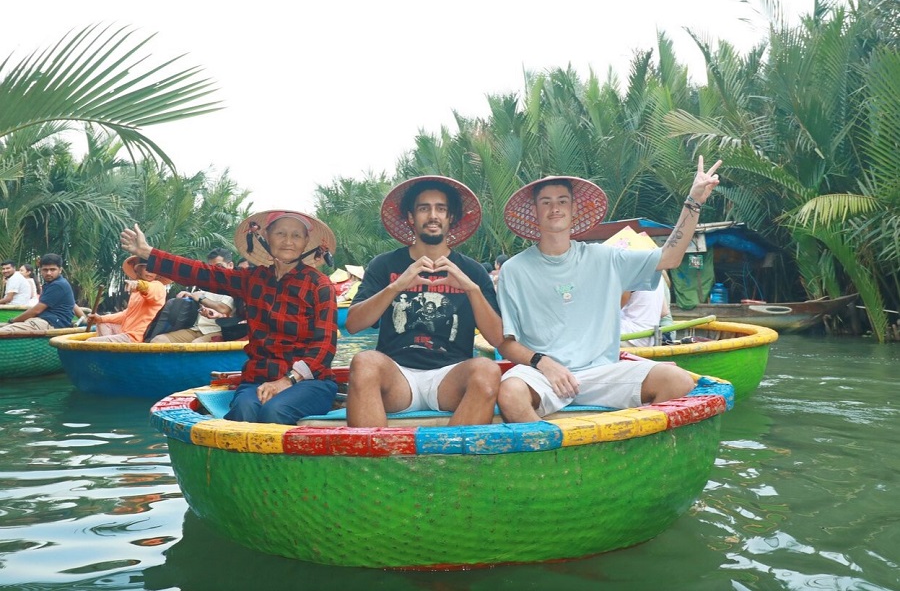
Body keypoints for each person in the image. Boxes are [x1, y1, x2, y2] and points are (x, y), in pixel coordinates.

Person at [496, 156, 722, 422]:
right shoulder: (513, 270)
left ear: (573, 210)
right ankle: (556, 456)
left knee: (677, 381)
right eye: (545, 202)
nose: (554, 208)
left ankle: (626, 452)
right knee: (510, 393)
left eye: (562, 201)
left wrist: (693, 202)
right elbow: (507, 343)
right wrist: (543, 363)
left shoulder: (606, 258)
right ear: (534, 212)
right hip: (543, 373)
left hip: (601, 373)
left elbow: (668, 258)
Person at [119, 209, 339, 425]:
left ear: (306, 242)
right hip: (258, 379)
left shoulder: (319, 285)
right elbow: (201, 272)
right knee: (245, 410)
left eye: (296, 235)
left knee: (275, 411)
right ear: (266, 238)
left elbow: (324, 348)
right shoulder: (253, 279)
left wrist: (286, 381)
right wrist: (149, 253)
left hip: (309, 383)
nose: (288, 241)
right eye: (280, 233)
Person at [345, 175, 503, 427]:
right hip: (397, 377)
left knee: (488, 370)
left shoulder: (471, 271)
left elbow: (497, 339)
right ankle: (376, 463)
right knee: (364, 362)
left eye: (441, 209)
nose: (433, 215)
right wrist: (396, 286)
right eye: (423, 208)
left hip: (449, 377)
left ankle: (451, 462)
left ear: (450, 218)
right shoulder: (385, 265)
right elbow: (353, 324)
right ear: (411, 217)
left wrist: (471, 289)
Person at [149, 248, 236, 343]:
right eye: (212, 268)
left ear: (230, 265)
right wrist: (190, 295)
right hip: (196, 329)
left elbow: (223, 308)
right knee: (158, 340)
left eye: (219, 267)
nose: (215, 272)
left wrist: (201, 298)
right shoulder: (206, 285)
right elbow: (199, 296)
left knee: (195, 345)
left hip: (219, 331)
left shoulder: (236, 286)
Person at [86, 257, 168, 343]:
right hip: (127, 333)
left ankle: (108, 352)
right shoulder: (136, 292)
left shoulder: (158, 286)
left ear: (157, 274)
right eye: (146, 267)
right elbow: (127, 314)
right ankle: (110, 353)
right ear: (138, 270)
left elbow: (150, 289)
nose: (149, 271)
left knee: (89, 342)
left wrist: (138, 284)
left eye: (153, 269)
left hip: (138, 337)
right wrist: (100, 318)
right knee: (102, 323)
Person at [0, 254, 75, 334]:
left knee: (5, 330)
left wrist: (13, 321)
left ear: (60, 270)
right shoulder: (52, 283)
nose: (48, 273)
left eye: (52, 269)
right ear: (41, 270)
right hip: (44, 320)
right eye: (45, 270)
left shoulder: (58, 285)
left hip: (51, 323)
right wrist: (83, 317)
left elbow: (36, 310)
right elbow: (74, 305)